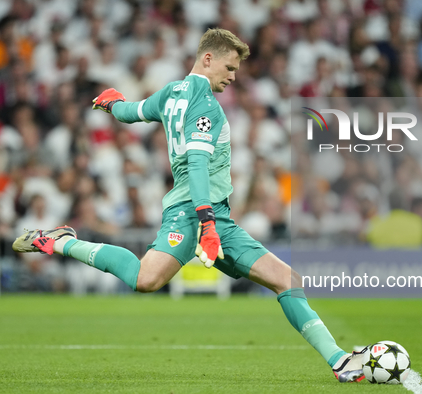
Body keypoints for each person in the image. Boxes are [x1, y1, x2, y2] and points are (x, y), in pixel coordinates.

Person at [12, 28, 366, 383]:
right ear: (208, 59)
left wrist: (112, 104)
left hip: (215, 216)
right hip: (192, 213)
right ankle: (60, 241)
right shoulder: (206, 106)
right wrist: (206, 224)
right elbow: (196, 164)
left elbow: (132, 112)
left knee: (287, 279)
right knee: (145, 279)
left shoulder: (170, 93)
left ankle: (338, 361)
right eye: (229, 67)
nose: (232, 76)